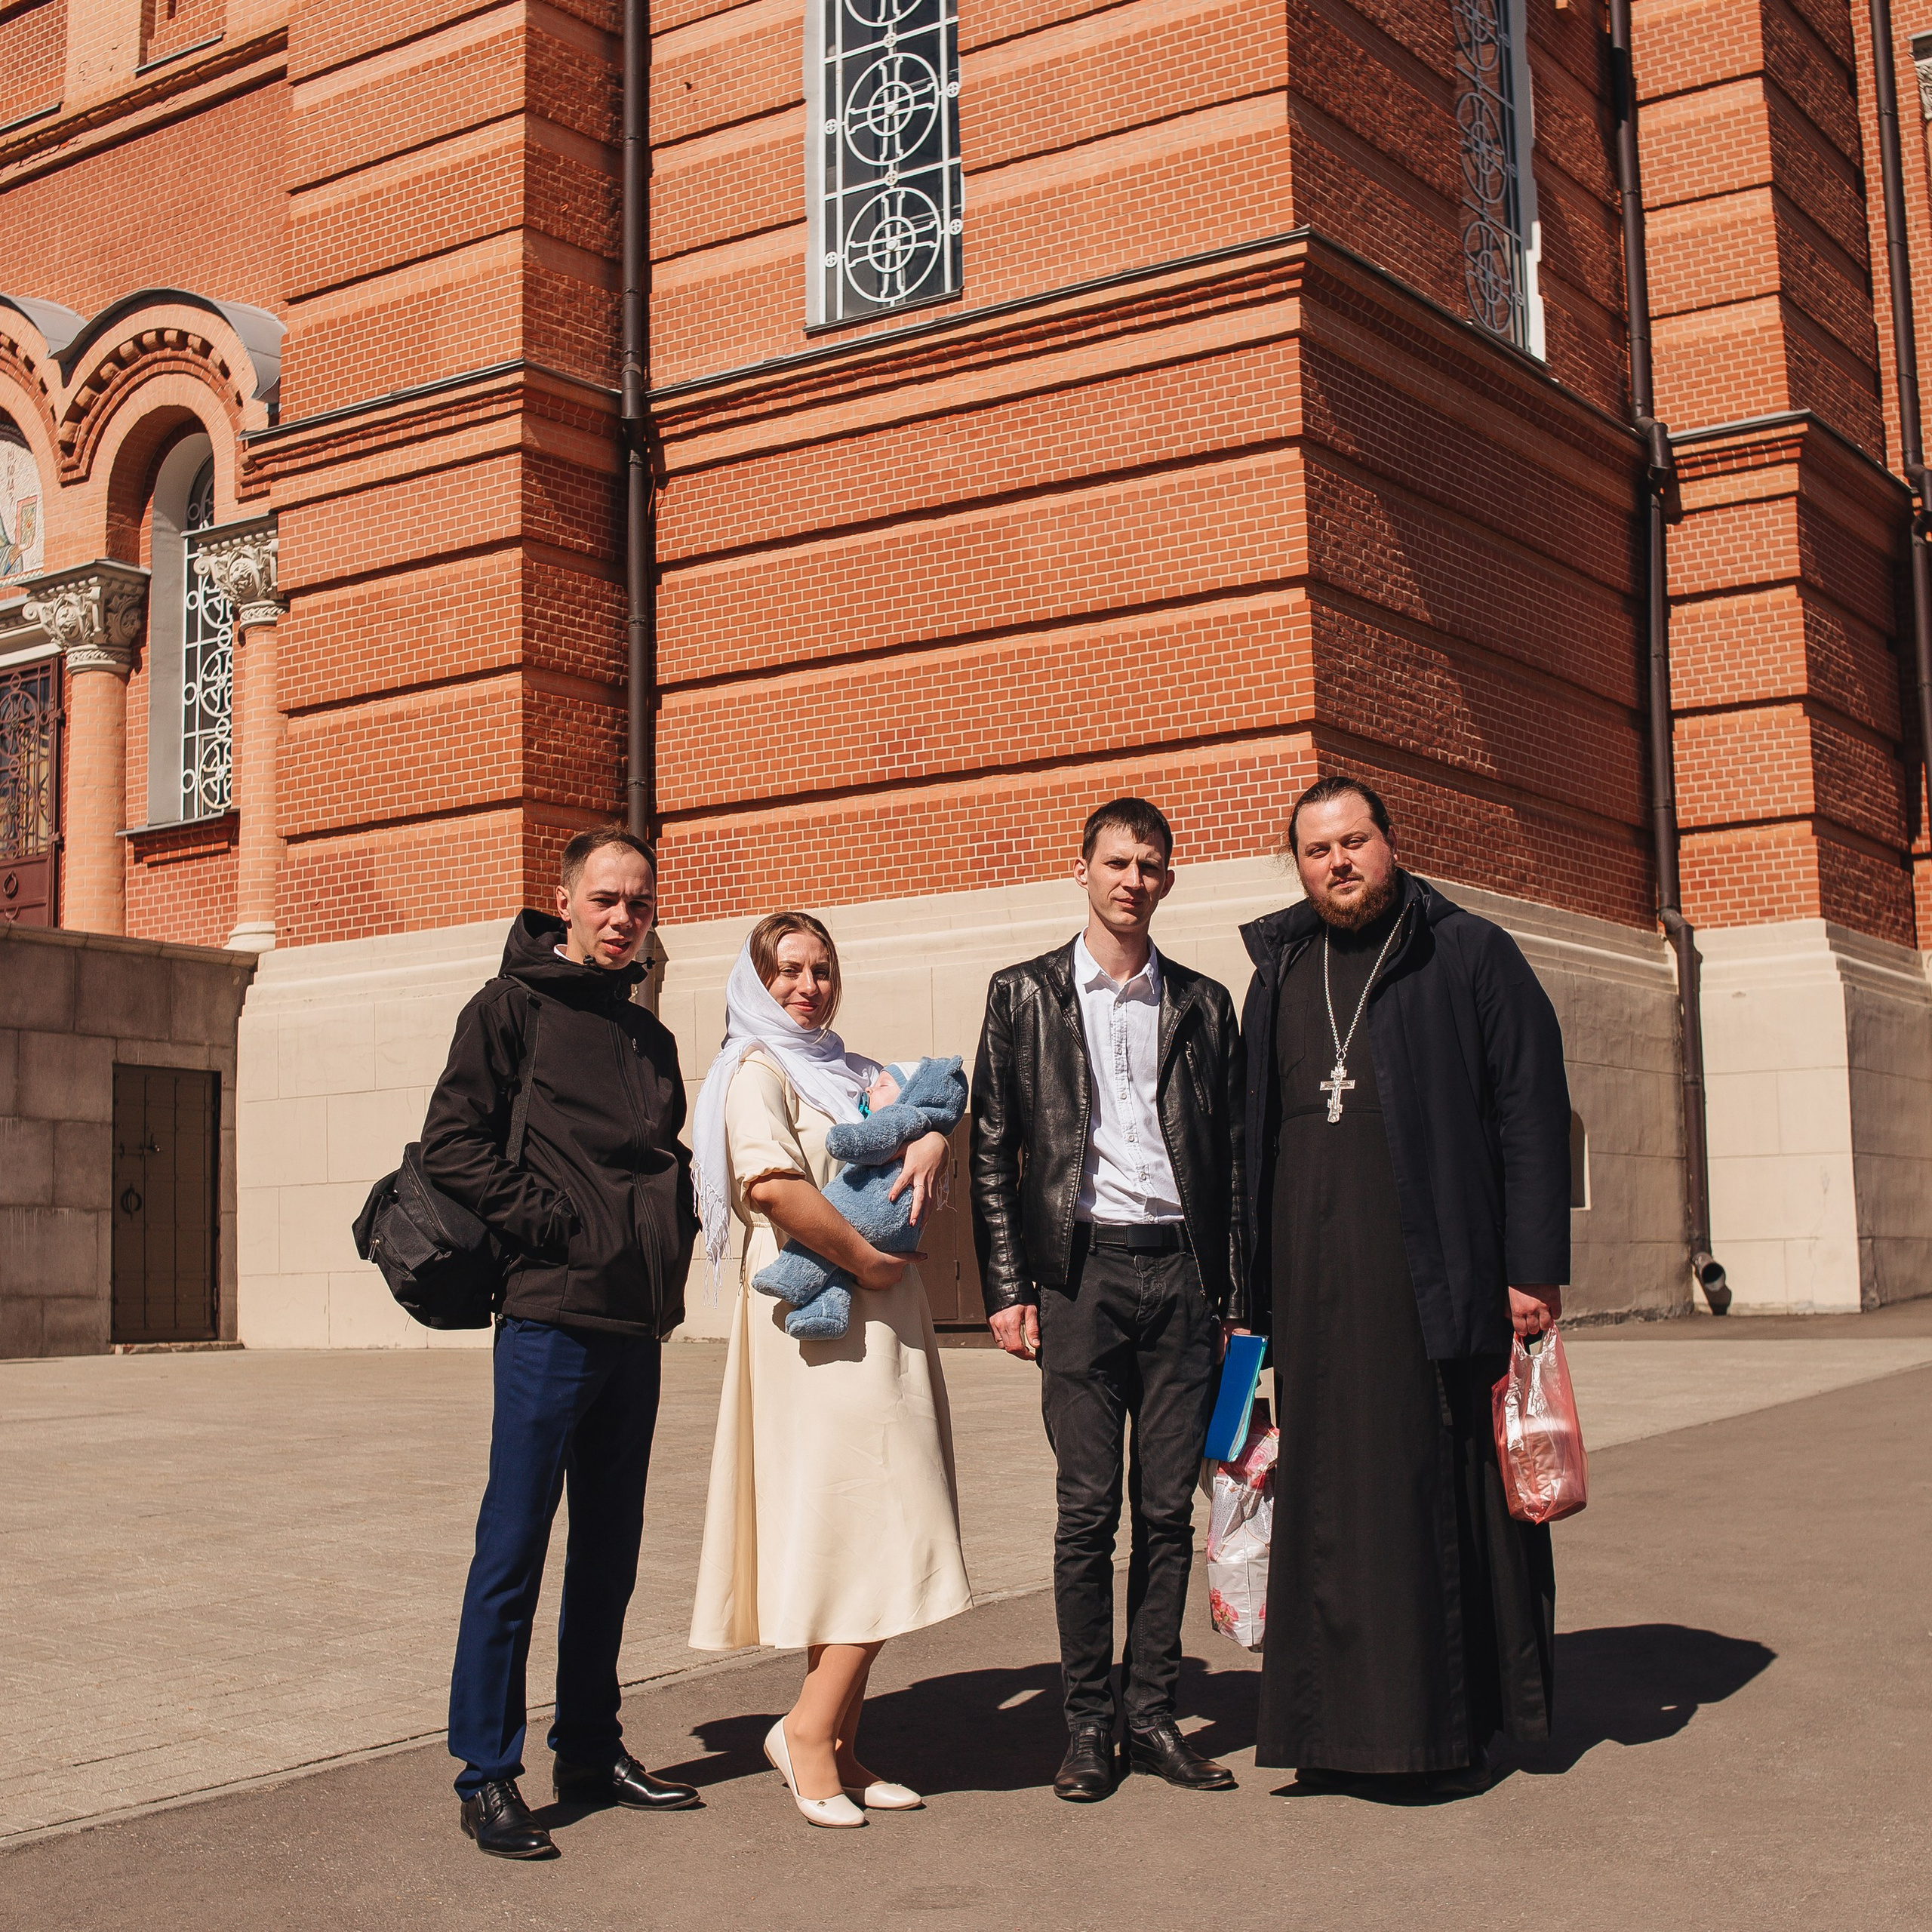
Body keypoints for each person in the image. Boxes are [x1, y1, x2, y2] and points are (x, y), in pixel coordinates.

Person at [1241, 774, 1570, 1795]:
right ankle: (1327, 1729)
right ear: (1299, 865)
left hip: (1432, 1280)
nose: (1337, 863)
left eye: (1353, 842)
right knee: (1325, 1500)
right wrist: (1248, 1303)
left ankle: (1433, 1728)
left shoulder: (1466, 951)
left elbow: (1530, 1113)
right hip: (1309, 1284)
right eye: (1317, 850)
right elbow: (1247, 1143)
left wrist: (1530, 1269)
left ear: (1390, 843)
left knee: (1428, 1491)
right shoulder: (1280, 966)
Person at [423, 826, 701, 1859]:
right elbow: (451, 1143)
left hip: (636, 1324)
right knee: (514, 1547)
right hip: (548, 1316)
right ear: (566, 901)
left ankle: (588, 1745)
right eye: (605, 900)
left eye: (638, 903)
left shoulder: (647, 1037)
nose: (622, 918)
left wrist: (663, 1236)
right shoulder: (510, 1009)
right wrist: (552, 1224)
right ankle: (486, 1771)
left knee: (610, 1551)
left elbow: (652, 1162)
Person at [970, 798, 1246, 1801]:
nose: (1135, 880)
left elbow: (1238, 1167)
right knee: (1088, 1513)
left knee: (1167, 1512)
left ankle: (1155, 1715)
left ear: (1168, 881)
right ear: (1081, 870)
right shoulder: (1024, 995)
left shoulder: (1207, 1005)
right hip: (1078, 1279)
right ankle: (1089, 1726)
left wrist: (1239, 1298)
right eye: (1118, 863)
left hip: (1182, 1279)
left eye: (1152, 866)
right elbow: (993, 1146)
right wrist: (1007, 1286)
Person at [688, 912, 973, 1829]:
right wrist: (866, 1257)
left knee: (867, 1524)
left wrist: (931, 1139)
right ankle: (807, 1732)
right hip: (815, 1335)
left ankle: (841, 1742)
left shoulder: (850, 1071)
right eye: (786, 971)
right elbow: (770, 1185)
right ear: (755, 982)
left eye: (819, 969)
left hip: (883, 1322)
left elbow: (920, 1110)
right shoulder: (753, 1072)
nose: (806, 986)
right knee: (885, 1517)